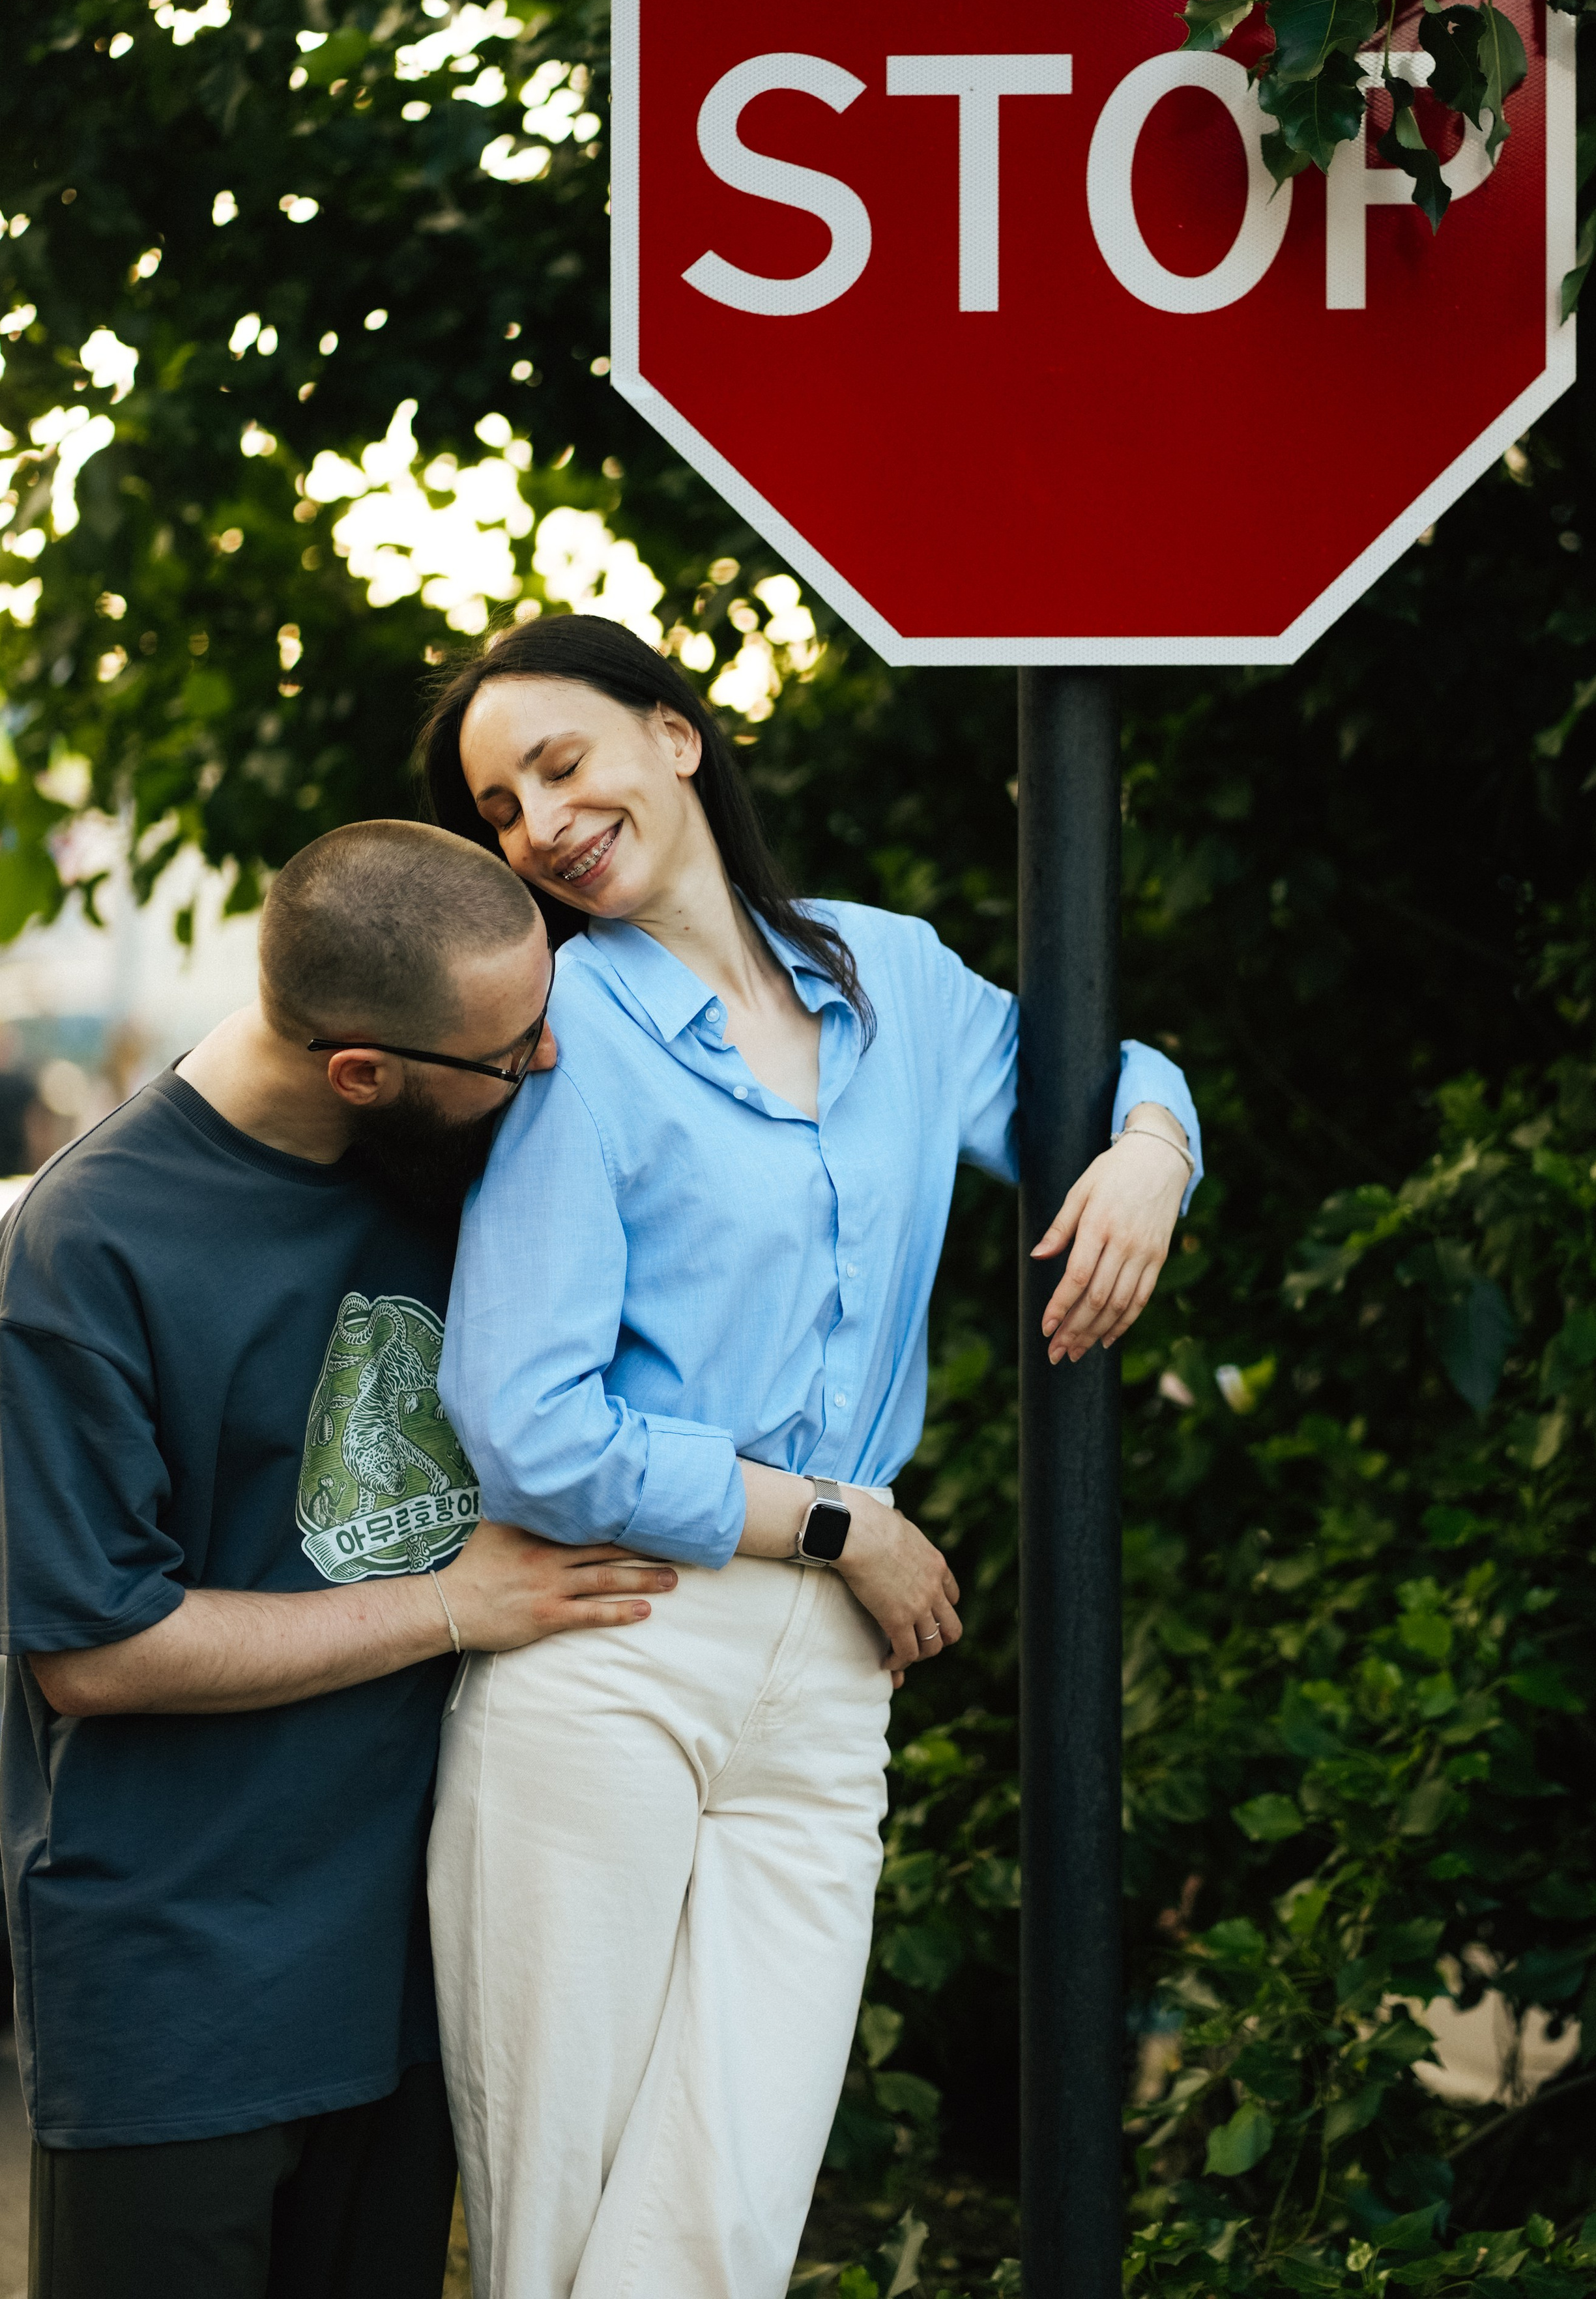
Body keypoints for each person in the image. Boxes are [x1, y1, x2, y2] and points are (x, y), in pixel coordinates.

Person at [416, 618, 1203, 2299]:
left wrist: (1148, 1148)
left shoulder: (890, 977)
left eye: (562, 763)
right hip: (615, 1646)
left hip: (827, 1688)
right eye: (500, 807)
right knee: (558, 2208)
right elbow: (529, 1424)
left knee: (727, 2217)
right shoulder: (561, 1043)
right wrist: (840, 1521)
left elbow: (1087, 1075)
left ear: (677, 736)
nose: (540, 823)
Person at [0, 820, 677, 2299]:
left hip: (422, 1979)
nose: (545, 1067)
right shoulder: (83, 1249)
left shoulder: (456, 1165)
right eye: (510, 1051)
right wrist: (453, 1604)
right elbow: (97, 1650)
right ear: (360, 1066)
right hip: (181, 1997)